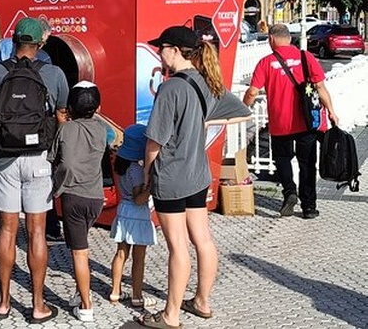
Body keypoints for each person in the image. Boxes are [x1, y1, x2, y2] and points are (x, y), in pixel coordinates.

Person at [139, 25, 252, 329]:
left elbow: (154, 142)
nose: (158, 52)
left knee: (178, 246)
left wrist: (147, 173)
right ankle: (201, 301)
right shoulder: (206, 82)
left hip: (172, 176)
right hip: (198, 175)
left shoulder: (170, 88)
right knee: (202, 239)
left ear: (173, 50)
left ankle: (170, 315)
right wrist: (203, 122)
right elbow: (243, 111)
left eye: (160, 47)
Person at [0, 17, 69, 324]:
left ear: (13, 42)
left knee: (6, 230)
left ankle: (2, 303)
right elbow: (61, 120)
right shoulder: (54, 74)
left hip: (3, 158)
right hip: (40, 160)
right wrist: (57, 159)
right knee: (37, 232)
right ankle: (38, 305)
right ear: (40, 45)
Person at [242, 24, 338, 219]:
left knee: (283, 160)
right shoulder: (306, 58)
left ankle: (289, 192)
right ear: (288, 38)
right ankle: (309, 206)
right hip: (306, 122)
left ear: (271, 39)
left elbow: (252, 91)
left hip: (280, 124)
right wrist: (331, 112)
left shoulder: (266, 62)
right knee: (307, 163)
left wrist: (244, 108)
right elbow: (320, 87)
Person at [47, 81, 108, 322]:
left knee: (79, 254)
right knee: (80, 245)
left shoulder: (66, 130)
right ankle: (79, 292)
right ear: (98, 107)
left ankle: (85, 305)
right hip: (96, 198)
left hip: (73, 198)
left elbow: (54, 157)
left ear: (70, 107)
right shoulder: (102, 130)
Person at [109, 124, 157, 310]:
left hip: (123, 210)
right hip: (137, 214)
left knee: (121, 253)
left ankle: (115, 291)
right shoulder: (137, 170)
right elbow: (138, 199)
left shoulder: (122, 166)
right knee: (139, 258)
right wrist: (151, 187)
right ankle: (137, 296)